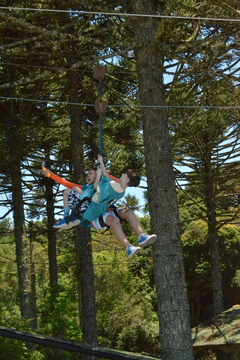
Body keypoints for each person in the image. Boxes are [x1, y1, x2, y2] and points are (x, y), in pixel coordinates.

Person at [42, 156, 156, 257]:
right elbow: (66, 183)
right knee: (114, 220)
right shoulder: (85, 188)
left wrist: (101, 164)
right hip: (97, 213)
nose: (87, 176)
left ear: (97, 174)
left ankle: (142, 235)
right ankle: (128, 247)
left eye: (90, 173)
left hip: (108, 209)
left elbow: (114, 179)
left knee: (129, 212)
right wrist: (51, 175)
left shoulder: (109, 184)